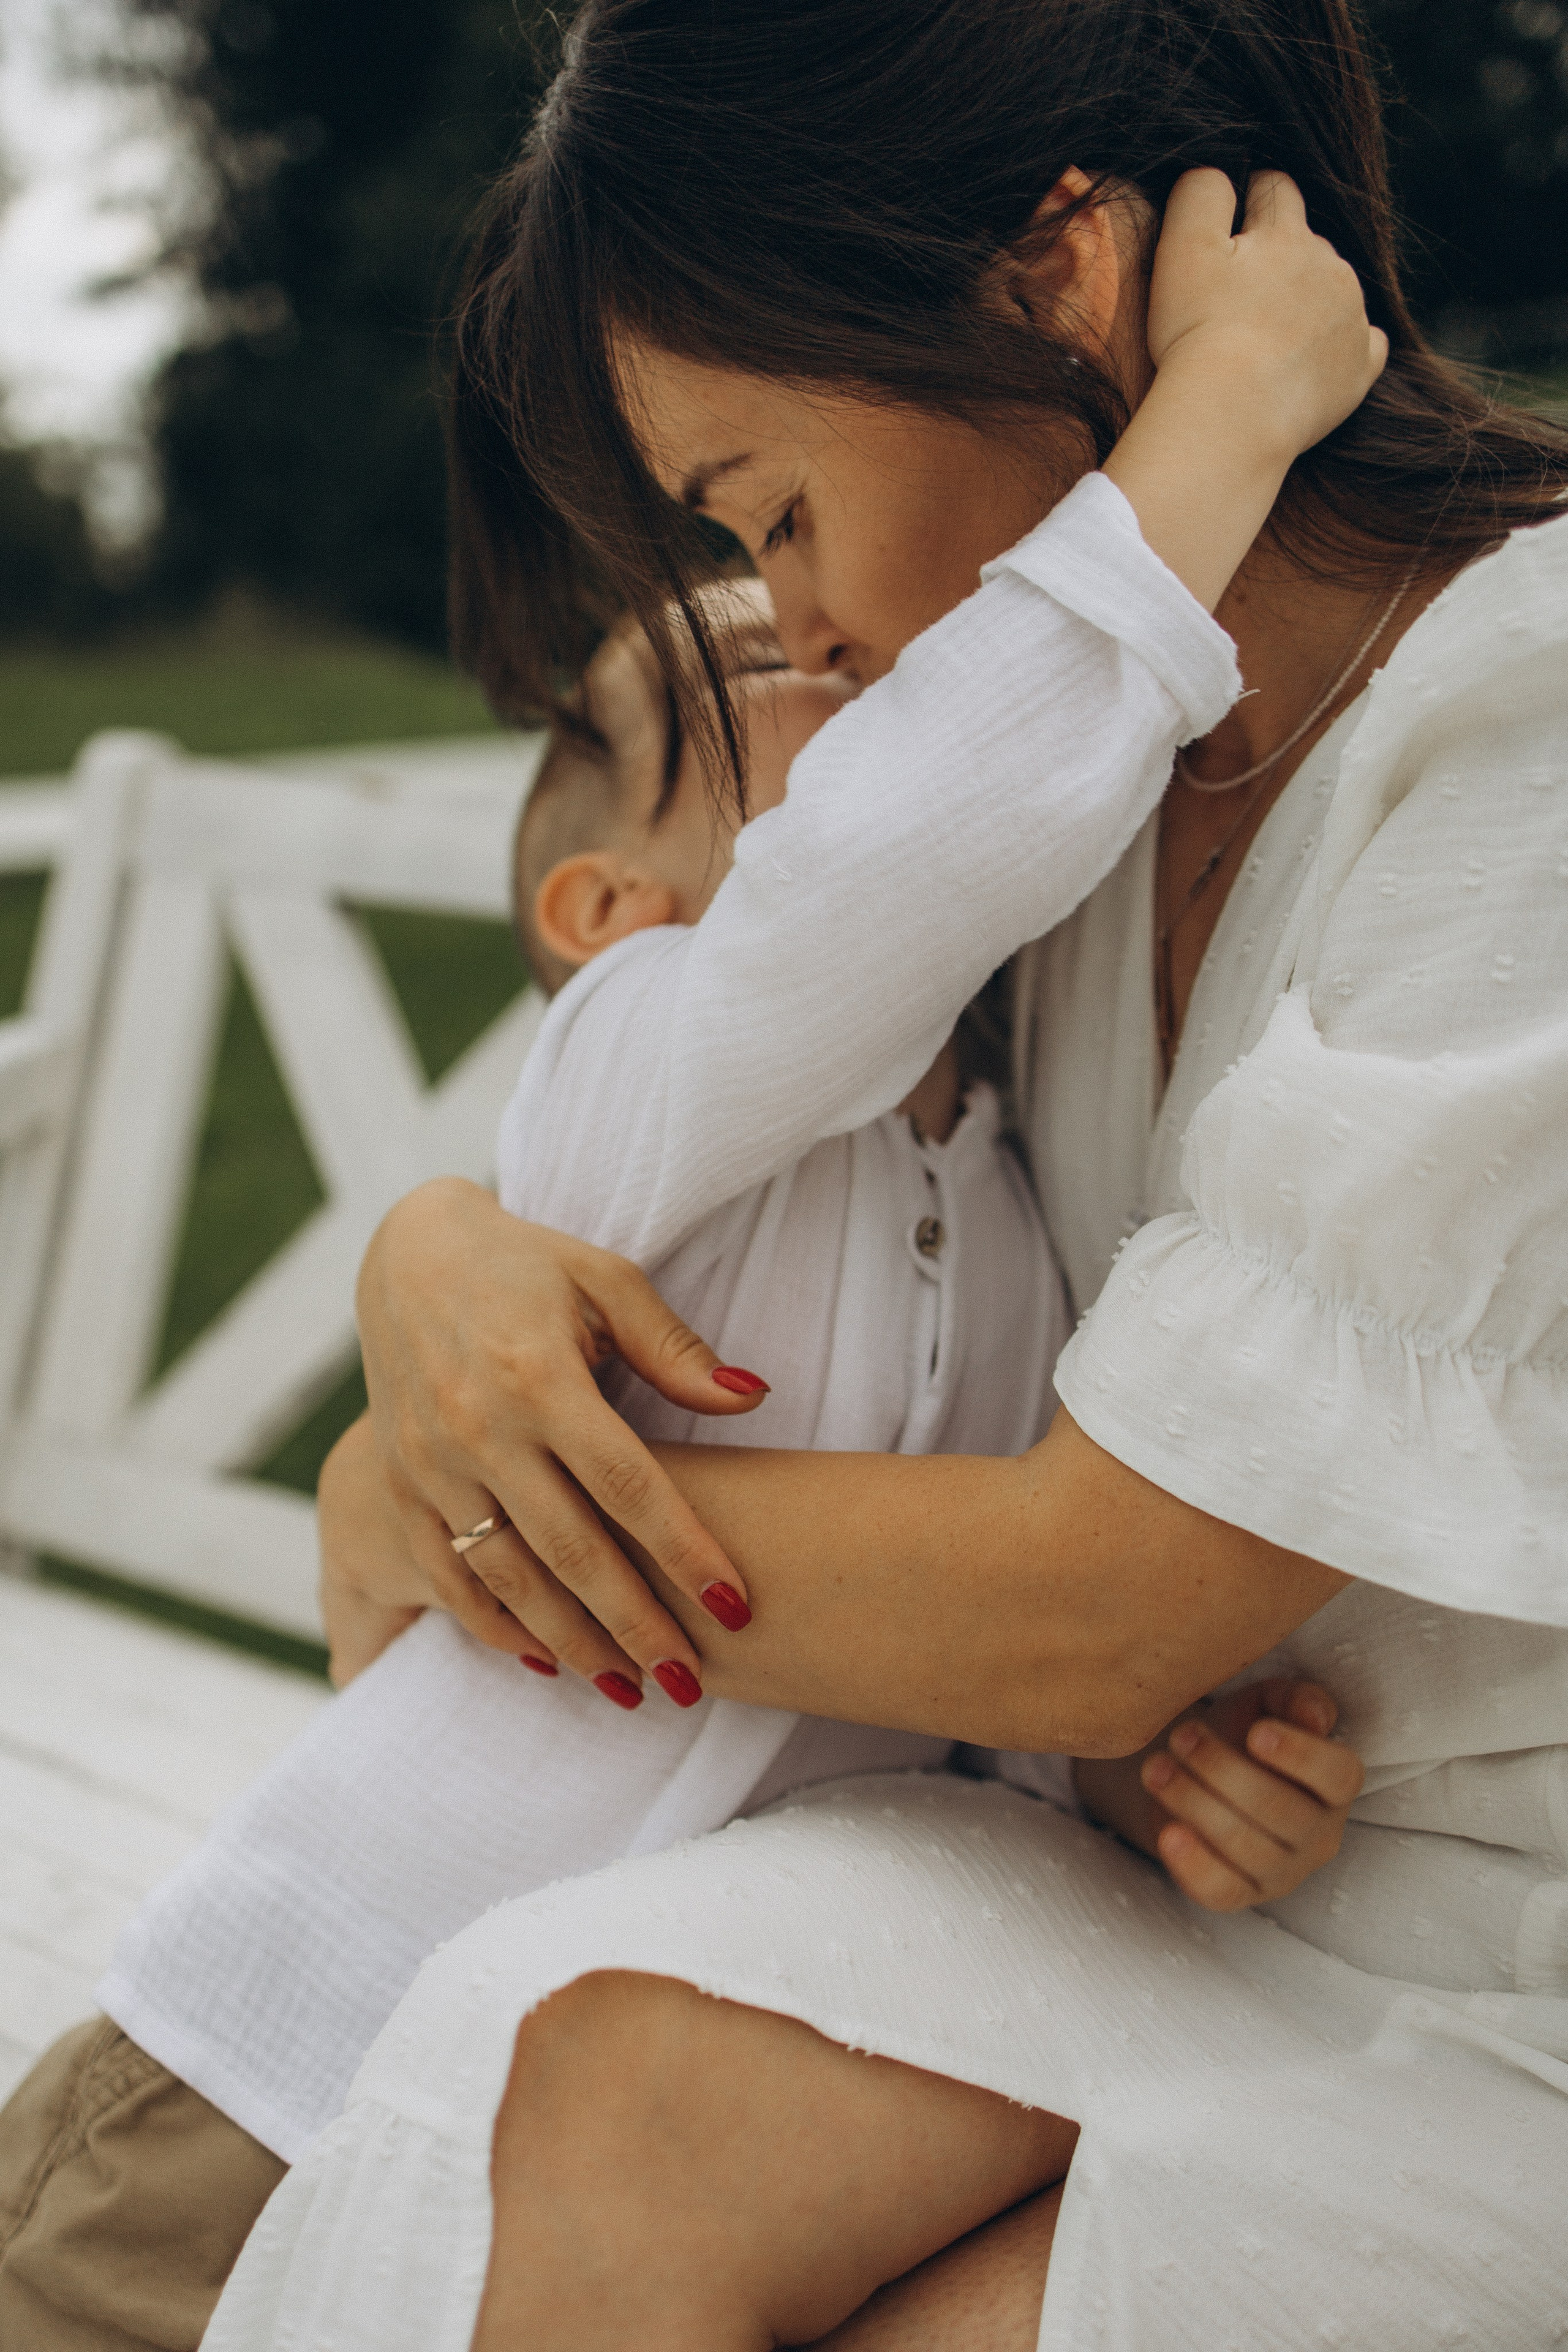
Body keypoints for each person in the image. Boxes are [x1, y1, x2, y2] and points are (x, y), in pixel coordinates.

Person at [196, 0, 1568, 2339]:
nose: (797, 630)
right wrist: (442, 1260)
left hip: (1494, 1983)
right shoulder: (1069, 815)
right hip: (1149, 1869)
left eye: (774, 513)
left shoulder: (1520, 720)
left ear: (1051, 273)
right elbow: (717, 1079)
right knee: (573, 2079)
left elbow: (1096, 1607)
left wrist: (503, 1512)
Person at [0, 311, 1369, 2348]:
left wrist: (1159, 1791)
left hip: (591, 2133)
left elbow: (958, 1695)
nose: (825, 656)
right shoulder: (643, 1074)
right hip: (261, 2075)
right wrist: (1213, 431)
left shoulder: (1004, 1203)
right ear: (606, 914)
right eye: (749, 674)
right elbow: (882, 877)